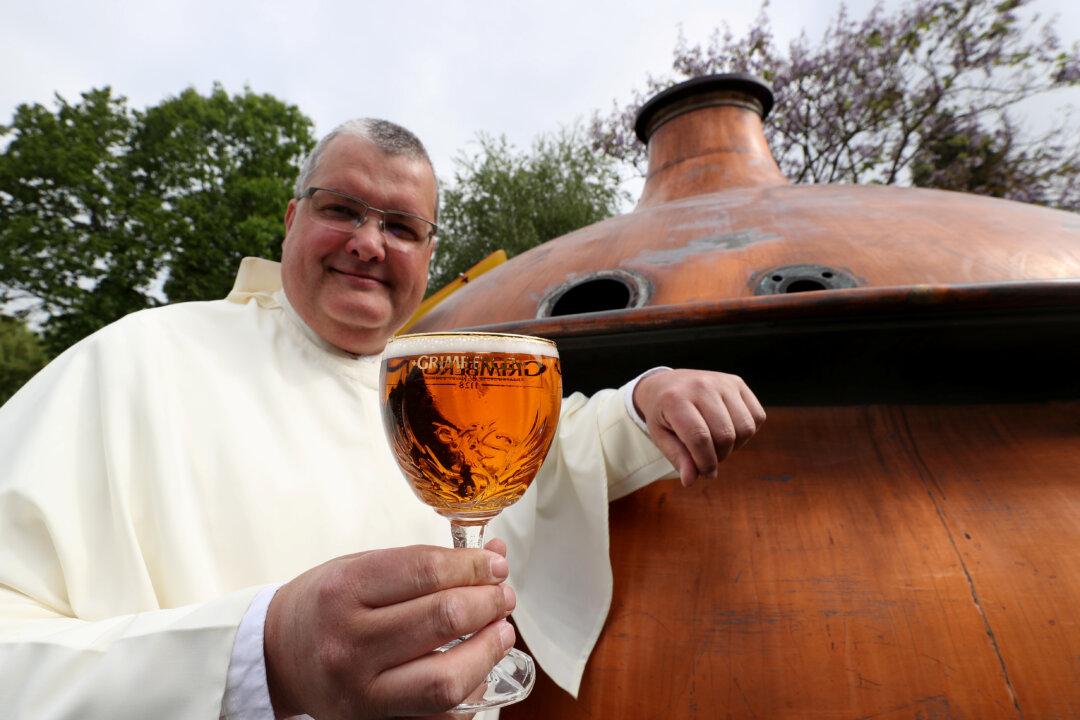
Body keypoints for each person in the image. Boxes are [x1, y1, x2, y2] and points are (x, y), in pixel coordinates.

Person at [0, 119, 765, 719]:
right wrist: (257, 660)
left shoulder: (438, 384)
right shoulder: (130, 363)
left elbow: (561, 447)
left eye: (401, 227)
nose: (369, 244)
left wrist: (648, 396)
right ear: (293, 219)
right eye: (343, 210)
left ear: (428, 257)